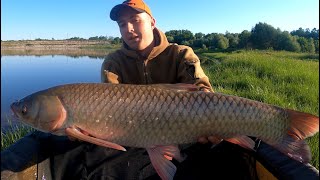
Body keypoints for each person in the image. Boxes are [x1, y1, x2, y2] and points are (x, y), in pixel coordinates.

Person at [2, 0, 319, 180]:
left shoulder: (182, 53)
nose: (127, 28)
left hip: (193, 127)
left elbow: (202, 94)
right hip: (138, 132)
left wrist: (216, 128)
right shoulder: (112, 62)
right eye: (120, 24)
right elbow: (110, 111)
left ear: (151, 22)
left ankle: (280, 127)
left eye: (134, 20)